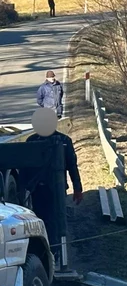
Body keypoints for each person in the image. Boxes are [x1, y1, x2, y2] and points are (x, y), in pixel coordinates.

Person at [25, 109, 83, 266]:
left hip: (56, 189)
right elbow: (25, 168)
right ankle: (44, 253)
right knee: (40, 221)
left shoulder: (64, 141)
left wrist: (78, 188)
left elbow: (72, 166)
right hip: (38, 190)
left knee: (56, 221)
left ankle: (54, 253)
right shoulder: (31, 141)